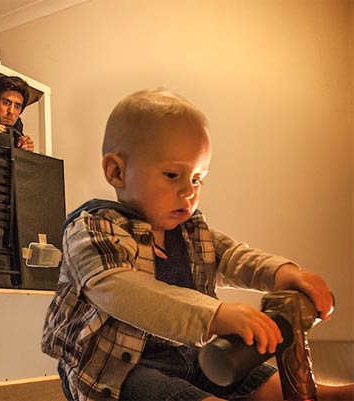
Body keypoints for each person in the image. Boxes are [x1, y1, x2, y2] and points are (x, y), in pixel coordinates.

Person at [41, 89, 354, 401]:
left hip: (187, 356)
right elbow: (122, 290)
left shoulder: (189, 230)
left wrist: (282, 273)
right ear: (116, 171)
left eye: (197, 179)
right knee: (168, 391)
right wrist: (214, 316)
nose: (188, 192)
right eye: (173, 174)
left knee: (250, 377)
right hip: (117, 369)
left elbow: (234, 256)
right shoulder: (93, 229)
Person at [0, 76, 35, 152]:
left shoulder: (18, 133)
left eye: (17, 106)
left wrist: (25, 151)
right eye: (6, 103)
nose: (11, 111)